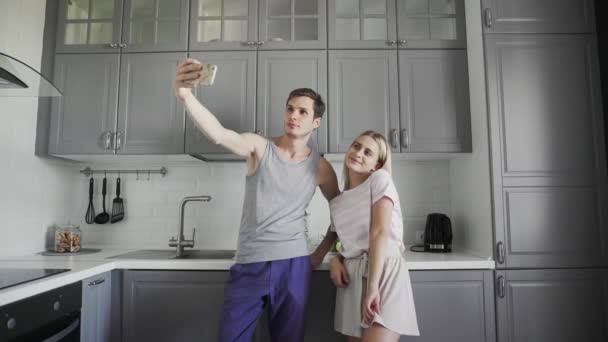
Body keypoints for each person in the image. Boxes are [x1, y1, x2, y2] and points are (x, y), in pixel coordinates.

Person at [174, 59, 340, 342]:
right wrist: (186, 95)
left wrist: (322, 251)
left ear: (316, 122)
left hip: (294, 265)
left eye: (302, 111)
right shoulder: (259, 147)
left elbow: (342, 211)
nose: (293, 115)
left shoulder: (321, 167)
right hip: (251, 262)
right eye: (289, 108)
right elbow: (218, 135)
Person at [325, 130, 420, 342]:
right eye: (356, 146)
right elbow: (347, 241)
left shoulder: (380, 179)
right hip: (353, 277)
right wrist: (337, 259)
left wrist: (373, 288)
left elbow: (379, 233)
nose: (358, 152)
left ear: (375, 165)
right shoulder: (338, 202)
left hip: (382, 273)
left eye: (368, 152)